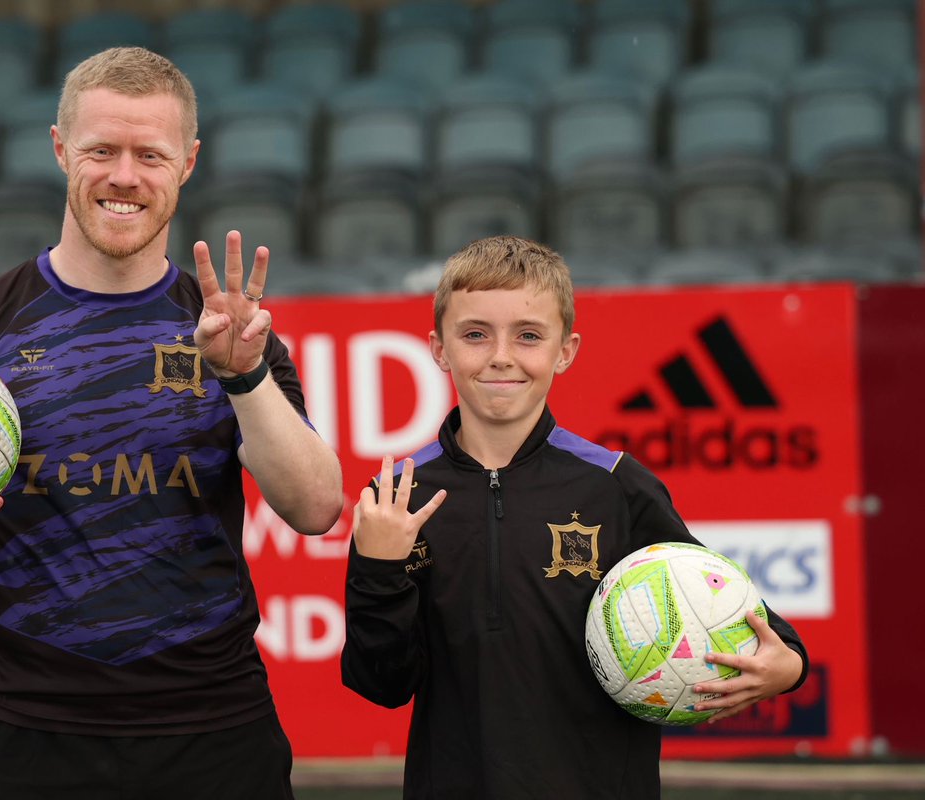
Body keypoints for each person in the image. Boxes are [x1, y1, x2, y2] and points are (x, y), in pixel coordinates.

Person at [0, 46, 344, 799]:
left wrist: (242, 376)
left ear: (187, 162)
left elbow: (315, 508)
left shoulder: (226, 332)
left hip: (214, 735)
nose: (124, 176)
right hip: (30, 738)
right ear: (60, 150)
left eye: (150, 154)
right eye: (101, 151)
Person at [340, 236, 809, 799]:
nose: (501, 356)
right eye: (475, 335)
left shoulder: (616, 484)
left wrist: (790, 668)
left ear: (566, 350)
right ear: (438, 350)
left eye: (530, 336)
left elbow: (738, 614)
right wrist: (379, 568)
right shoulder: (396, 497)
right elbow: (381, 684)